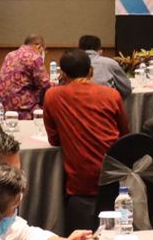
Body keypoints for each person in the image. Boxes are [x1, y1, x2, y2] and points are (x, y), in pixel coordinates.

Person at [42, 49, 129, 217]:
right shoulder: (112, 95)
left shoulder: (52, 96)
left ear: (62, 74)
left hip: (80, 183)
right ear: (91, 71)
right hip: (114, 177)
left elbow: (54, 140)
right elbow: (124, 134)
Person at [0, 35, 48, 115]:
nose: (43, 53)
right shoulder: (35, 57)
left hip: (1, 108)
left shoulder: (10, 55)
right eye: (44, 50)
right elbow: (45, 85)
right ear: (39, 46)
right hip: (22, 110)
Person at [76, 34, 132, 99]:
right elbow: (126, 89)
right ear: (99, 48)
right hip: (105, 102)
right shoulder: (110, 63)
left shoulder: (71, 63)